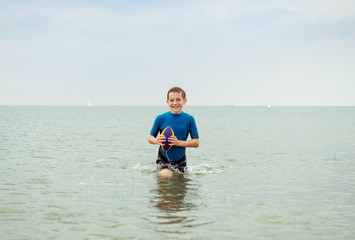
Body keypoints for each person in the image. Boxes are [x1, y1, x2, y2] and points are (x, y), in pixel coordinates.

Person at [148, 87, 199, 178]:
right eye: (171, 100)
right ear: (167, 102)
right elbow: (150, 138)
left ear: (185, 101)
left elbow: (196, 142)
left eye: (178, 99)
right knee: (166, 175)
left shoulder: (189, 119)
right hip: (163, 157)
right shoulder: (160, 118)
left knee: (180, 188)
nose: (175, 103)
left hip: (181, 159)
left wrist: (178, 143)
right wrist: (157, 141)